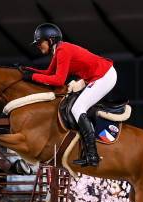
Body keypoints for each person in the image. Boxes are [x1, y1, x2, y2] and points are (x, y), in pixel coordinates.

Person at [22, 23, 117, 167]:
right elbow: (49, 73)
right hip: (97, 76)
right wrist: (26, 70)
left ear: (51, 39)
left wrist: (32, 77)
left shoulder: (63, 50)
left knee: (77, 108)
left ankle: (92, 155)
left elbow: (59, 80)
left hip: (104, 75)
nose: (38, 46)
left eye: (40, 42)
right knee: (77, 107)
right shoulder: (58, 50)